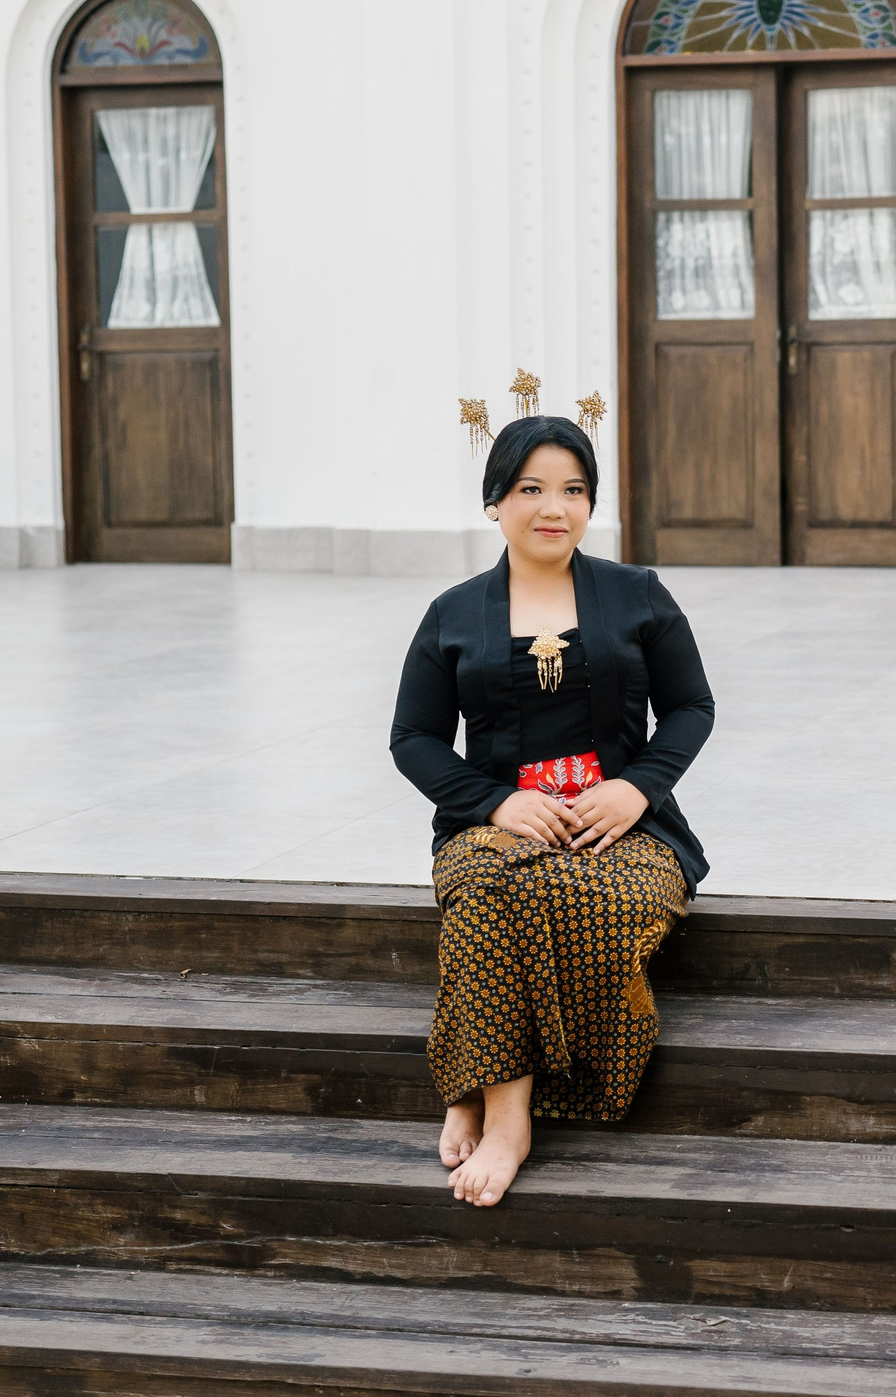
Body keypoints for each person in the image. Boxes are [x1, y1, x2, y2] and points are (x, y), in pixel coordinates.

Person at [389, 413, 714, 1208]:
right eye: (531, 488)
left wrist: (636, 787)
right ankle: (509, 1119)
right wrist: (496, 803)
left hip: (625, 836)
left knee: (575, 895)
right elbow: (414, 739)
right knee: (492, 884)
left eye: (573, 490)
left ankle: (475, 1078)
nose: (553, 507)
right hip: (494, 832)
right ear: (495, 500)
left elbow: (692, 708)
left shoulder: (638, 595)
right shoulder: (454, 614)